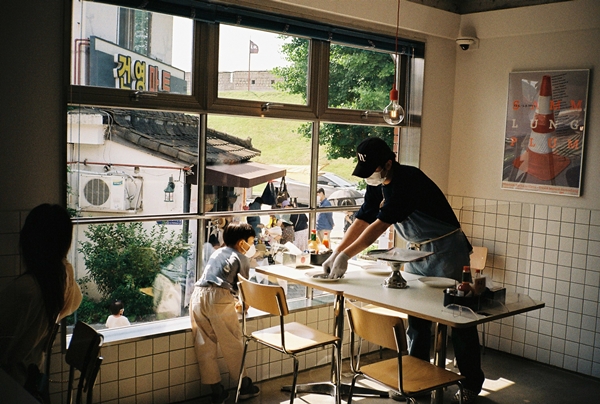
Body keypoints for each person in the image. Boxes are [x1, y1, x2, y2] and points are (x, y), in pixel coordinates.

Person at [322, 137, 483, 403]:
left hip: (447, 251)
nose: (370, 176)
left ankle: (471, 384)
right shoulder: (377, 184)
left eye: (373, 170)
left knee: (459, 318)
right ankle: (415, 381)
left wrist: (348, 255)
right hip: (417, 253)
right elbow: (363, 219)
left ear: (388, 164)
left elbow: (380, 225)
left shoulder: (409, 180)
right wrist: (336, 251)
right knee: (417, 318)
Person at [0, 204, 82, 391]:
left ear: (30, 241)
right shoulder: (61, 278)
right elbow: (75, 301)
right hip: (31, 376)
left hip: (11, 382)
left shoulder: (26, 288)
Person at [189, 222, 260, 404]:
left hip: (197, 296)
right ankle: (244, 386)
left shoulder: (217, 252)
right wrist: (243, 305)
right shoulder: (242, 258)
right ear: (242, 243)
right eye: (251, 242)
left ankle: (216, 391)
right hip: (218, 298)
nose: (251, 246)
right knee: (232, 343)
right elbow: (242, 287)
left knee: (204, 345)